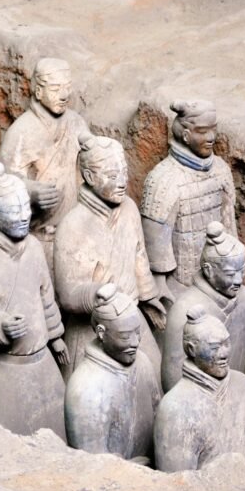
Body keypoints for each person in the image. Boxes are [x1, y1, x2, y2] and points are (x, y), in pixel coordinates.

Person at [0, 162, 68, 438]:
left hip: (42, 362)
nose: (23, 216)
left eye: (26, 207)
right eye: (14, 210)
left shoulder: (34, 247)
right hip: (2, 374)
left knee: (58, 443)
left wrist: (56, 335)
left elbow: (45, 294)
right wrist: (1, 326)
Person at [54, 134, 166, 377]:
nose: (122, 182)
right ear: (89, 176)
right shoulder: (73, 225)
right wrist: (96, 295)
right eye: (113, 176)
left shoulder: (129, 208)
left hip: (132, 316)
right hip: (93, 328)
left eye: (124, 172)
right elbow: (67, 293)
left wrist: (148, 296)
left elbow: (138, 255)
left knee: (153, 378)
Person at [154, 305, 245, 480]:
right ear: (191, 349)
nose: (224, 353)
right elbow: (177, 487)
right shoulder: (175, 407)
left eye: (226, 343)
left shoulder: (243, 386)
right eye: (214, 347)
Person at [0, 57, 89, 273]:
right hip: (39, 239)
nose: (64, 95)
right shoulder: (22, 131)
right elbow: (2, 185)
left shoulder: (75, 122)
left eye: (67, 87)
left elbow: (90, 166)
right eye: (56, 89)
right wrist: (30, 191)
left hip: (76, 232)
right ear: (38, 92)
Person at [141, 100, 235, 299]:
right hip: (182, 286)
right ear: (185, 135)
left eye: (213, 129)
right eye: (202, 131)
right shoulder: (163, 179)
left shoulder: (221, 170)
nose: (211, 137)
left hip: (222, 279)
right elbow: (156, 247)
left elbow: (230, 228)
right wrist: (160, 290)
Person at [64, 283, 162, 463]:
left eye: (137, 332)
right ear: (101, 333)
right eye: (125, 336)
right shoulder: (85, 388)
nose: (135, 342)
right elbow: (93, 466)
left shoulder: (142, 361)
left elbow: (159, 418)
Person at [162, 221, 245, 390]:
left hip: (239, 394)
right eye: (230, 274)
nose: (239, 280)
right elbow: (172, 377)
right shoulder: (184, 309)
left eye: (242, 271)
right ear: (208, 270)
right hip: (199, 399)